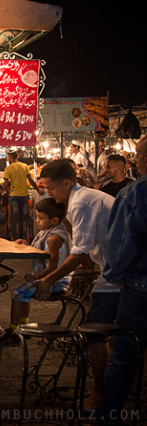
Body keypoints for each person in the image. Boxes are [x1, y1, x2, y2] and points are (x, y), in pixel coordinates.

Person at [36, 159, 117, 411]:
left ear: (67, 183)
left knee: (95, 332)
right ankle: (117, 390)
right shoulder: (83, 198)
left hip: (119, 273)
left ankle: (100, 396)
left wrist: (49, 279)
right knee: (113, 332)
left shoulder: (81, 202)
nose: (48, 193)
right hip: (115, 269)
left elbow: (80, 252)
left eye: (50, 188)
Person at [95, 136, 147, 423]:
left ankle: (109, 417)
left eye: (138, 154)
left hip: (139, 289)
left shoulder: (137, 193)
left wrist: (115, 276)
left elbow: (118, 246)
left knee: (124, 358)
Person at [1, 199, 71, 346]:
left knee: (18, 293)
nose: (37, 221)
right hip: (51, 279)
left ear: (54, 220)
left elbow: (53, 267)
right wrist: (26, 245)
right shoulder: (47, 232)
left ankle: (14, 332)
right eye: (37, 217)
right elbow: (40, 250)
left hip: (57, 281)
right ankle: (23, 329)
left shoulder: (54, 238)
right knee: (23, 293)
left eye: (41, 218)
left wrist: (36, 278)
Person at [3, 150, 45, 242]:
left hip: (13, 195)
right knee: (24, 219)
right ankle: (24, 239)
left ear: (10, 157)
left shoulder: (8, 168)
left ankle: (16, 239)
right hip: (24, 195)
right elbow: (31, 180)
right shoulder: (25, 166)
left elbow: (5, 184)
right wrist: (38, 190)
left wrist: (8, 193)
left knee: (14, 219)